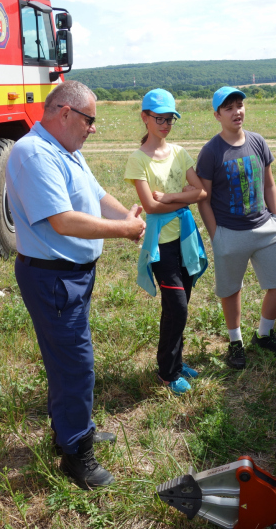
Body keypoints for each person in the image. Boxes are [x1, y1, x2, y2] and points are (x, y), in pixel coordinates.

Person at [7, 80, 146, 490]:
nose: (93, 128)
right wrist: (123, 231)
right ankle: (76, 453)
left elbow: (96, 195)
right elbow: (63, 221)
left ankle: (72, 427)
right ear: (65, 113)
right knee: (75, 365)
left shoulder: (66, 151)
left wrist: (129, 219)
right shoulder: (33, 153)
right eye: (90, 119)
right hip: (53, 278)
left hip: (70, 276)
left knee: (67, 360)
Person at [196, 86, 276, 370]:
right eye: (228, 108)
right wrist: (216, 235)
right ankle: (235, 341)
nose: (236, 112)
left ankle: (264, 334)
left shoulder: (258, 142)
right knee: (231, 289)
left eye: (239, 105)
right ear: (217, 115)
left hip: (266, 226)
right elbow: (203, 198)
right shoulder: (211, 152)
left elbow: (268, 183)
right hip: (229, 231)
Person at [124, 89, 208, 395]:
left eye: (170, 118)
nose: (165, 124)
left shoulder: (180, 152)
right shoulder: (137, 160)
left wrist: (171, 196)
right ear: (144, 118)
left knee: (177, 306)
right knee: (177, 306)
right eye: (159, 118)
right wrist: (182, 200)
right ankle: (168, 372)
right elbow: (150, 207)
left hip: (185, 240)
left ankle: (175, 360)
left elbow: (201, 192)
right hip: (161, 246)